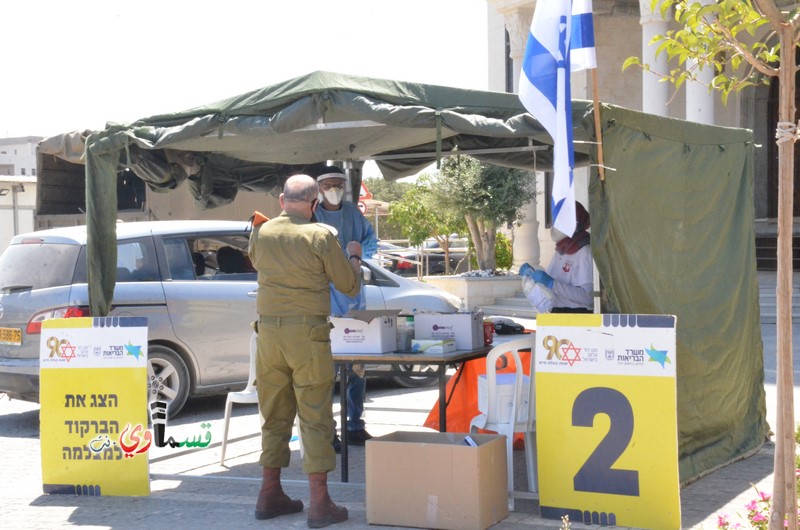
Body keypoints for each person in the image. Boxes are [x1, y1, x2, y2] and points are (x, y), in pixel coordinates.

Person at [248, 174, 362, 528]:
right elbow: (348, 284)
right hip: (308, 336)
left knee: (274, 414)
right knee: (315, 416)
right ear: (314, 205)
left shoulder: (261, 232)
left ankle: (269, 493)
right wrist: (354, 258)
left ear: (282, 200)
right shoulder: (320, 235)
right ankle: (320, 504)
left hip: (268, 335)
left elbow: (256, 261)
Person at [313, 165, 378, 451]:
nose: (334, 189)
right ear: (319, 188)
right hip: (325, 303)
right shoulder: (313, 215)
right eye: (329, 184)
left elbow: (371, 243)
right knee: (325, 374)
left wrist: (356, 255)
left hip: (354, 303)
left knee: (357, 369)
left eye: (339, 184)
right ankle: (328, 433)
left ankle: (355, 425)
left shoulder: (352, 213)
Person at [520, 202, 593, 313]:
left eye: (560, 222)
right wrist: (532, 275)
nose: (555, 226)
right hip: (556, 316)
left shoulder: (585, 252)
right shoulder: (561, 251)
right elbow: (549, 287)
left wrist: (552, 283)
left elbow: (588, 298)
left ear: (575, 225)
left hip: (577, 318)